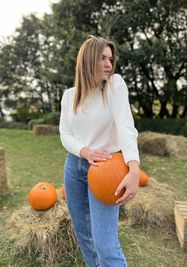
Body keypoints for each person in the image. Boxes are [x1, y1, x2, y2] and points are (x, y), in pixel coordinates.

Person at [59, 35, 140, 267]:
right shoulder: (68, 97)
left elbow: (126, 126)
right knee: (84, 234)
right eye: (102, 58)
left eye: (111, 59)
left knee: (105, 244)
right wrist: (84, 151)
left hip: (106, 170)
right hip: (74, 167)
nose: (108, 64)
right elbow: (65, 134)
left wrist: (134, 169)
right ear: (87, 60)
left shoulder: (115, 85)